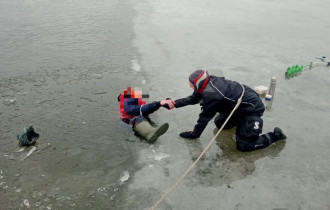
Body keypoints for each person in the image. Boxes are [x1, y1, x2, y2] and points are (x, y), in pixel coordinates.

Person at [166, 70, 287, 151]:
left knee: (244, 146)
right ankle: (241, 122)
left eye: (191, 85)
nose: (190, 87)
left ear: (199, 83)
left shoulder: (212, 95)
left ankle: (276, 135)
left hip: (252, 108)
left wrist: (194, 135)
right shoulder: (208, 83)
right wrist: (175, 103)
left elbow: (204, 119)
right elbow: (194, 98)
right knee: (220, 123)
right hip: (238, 106)